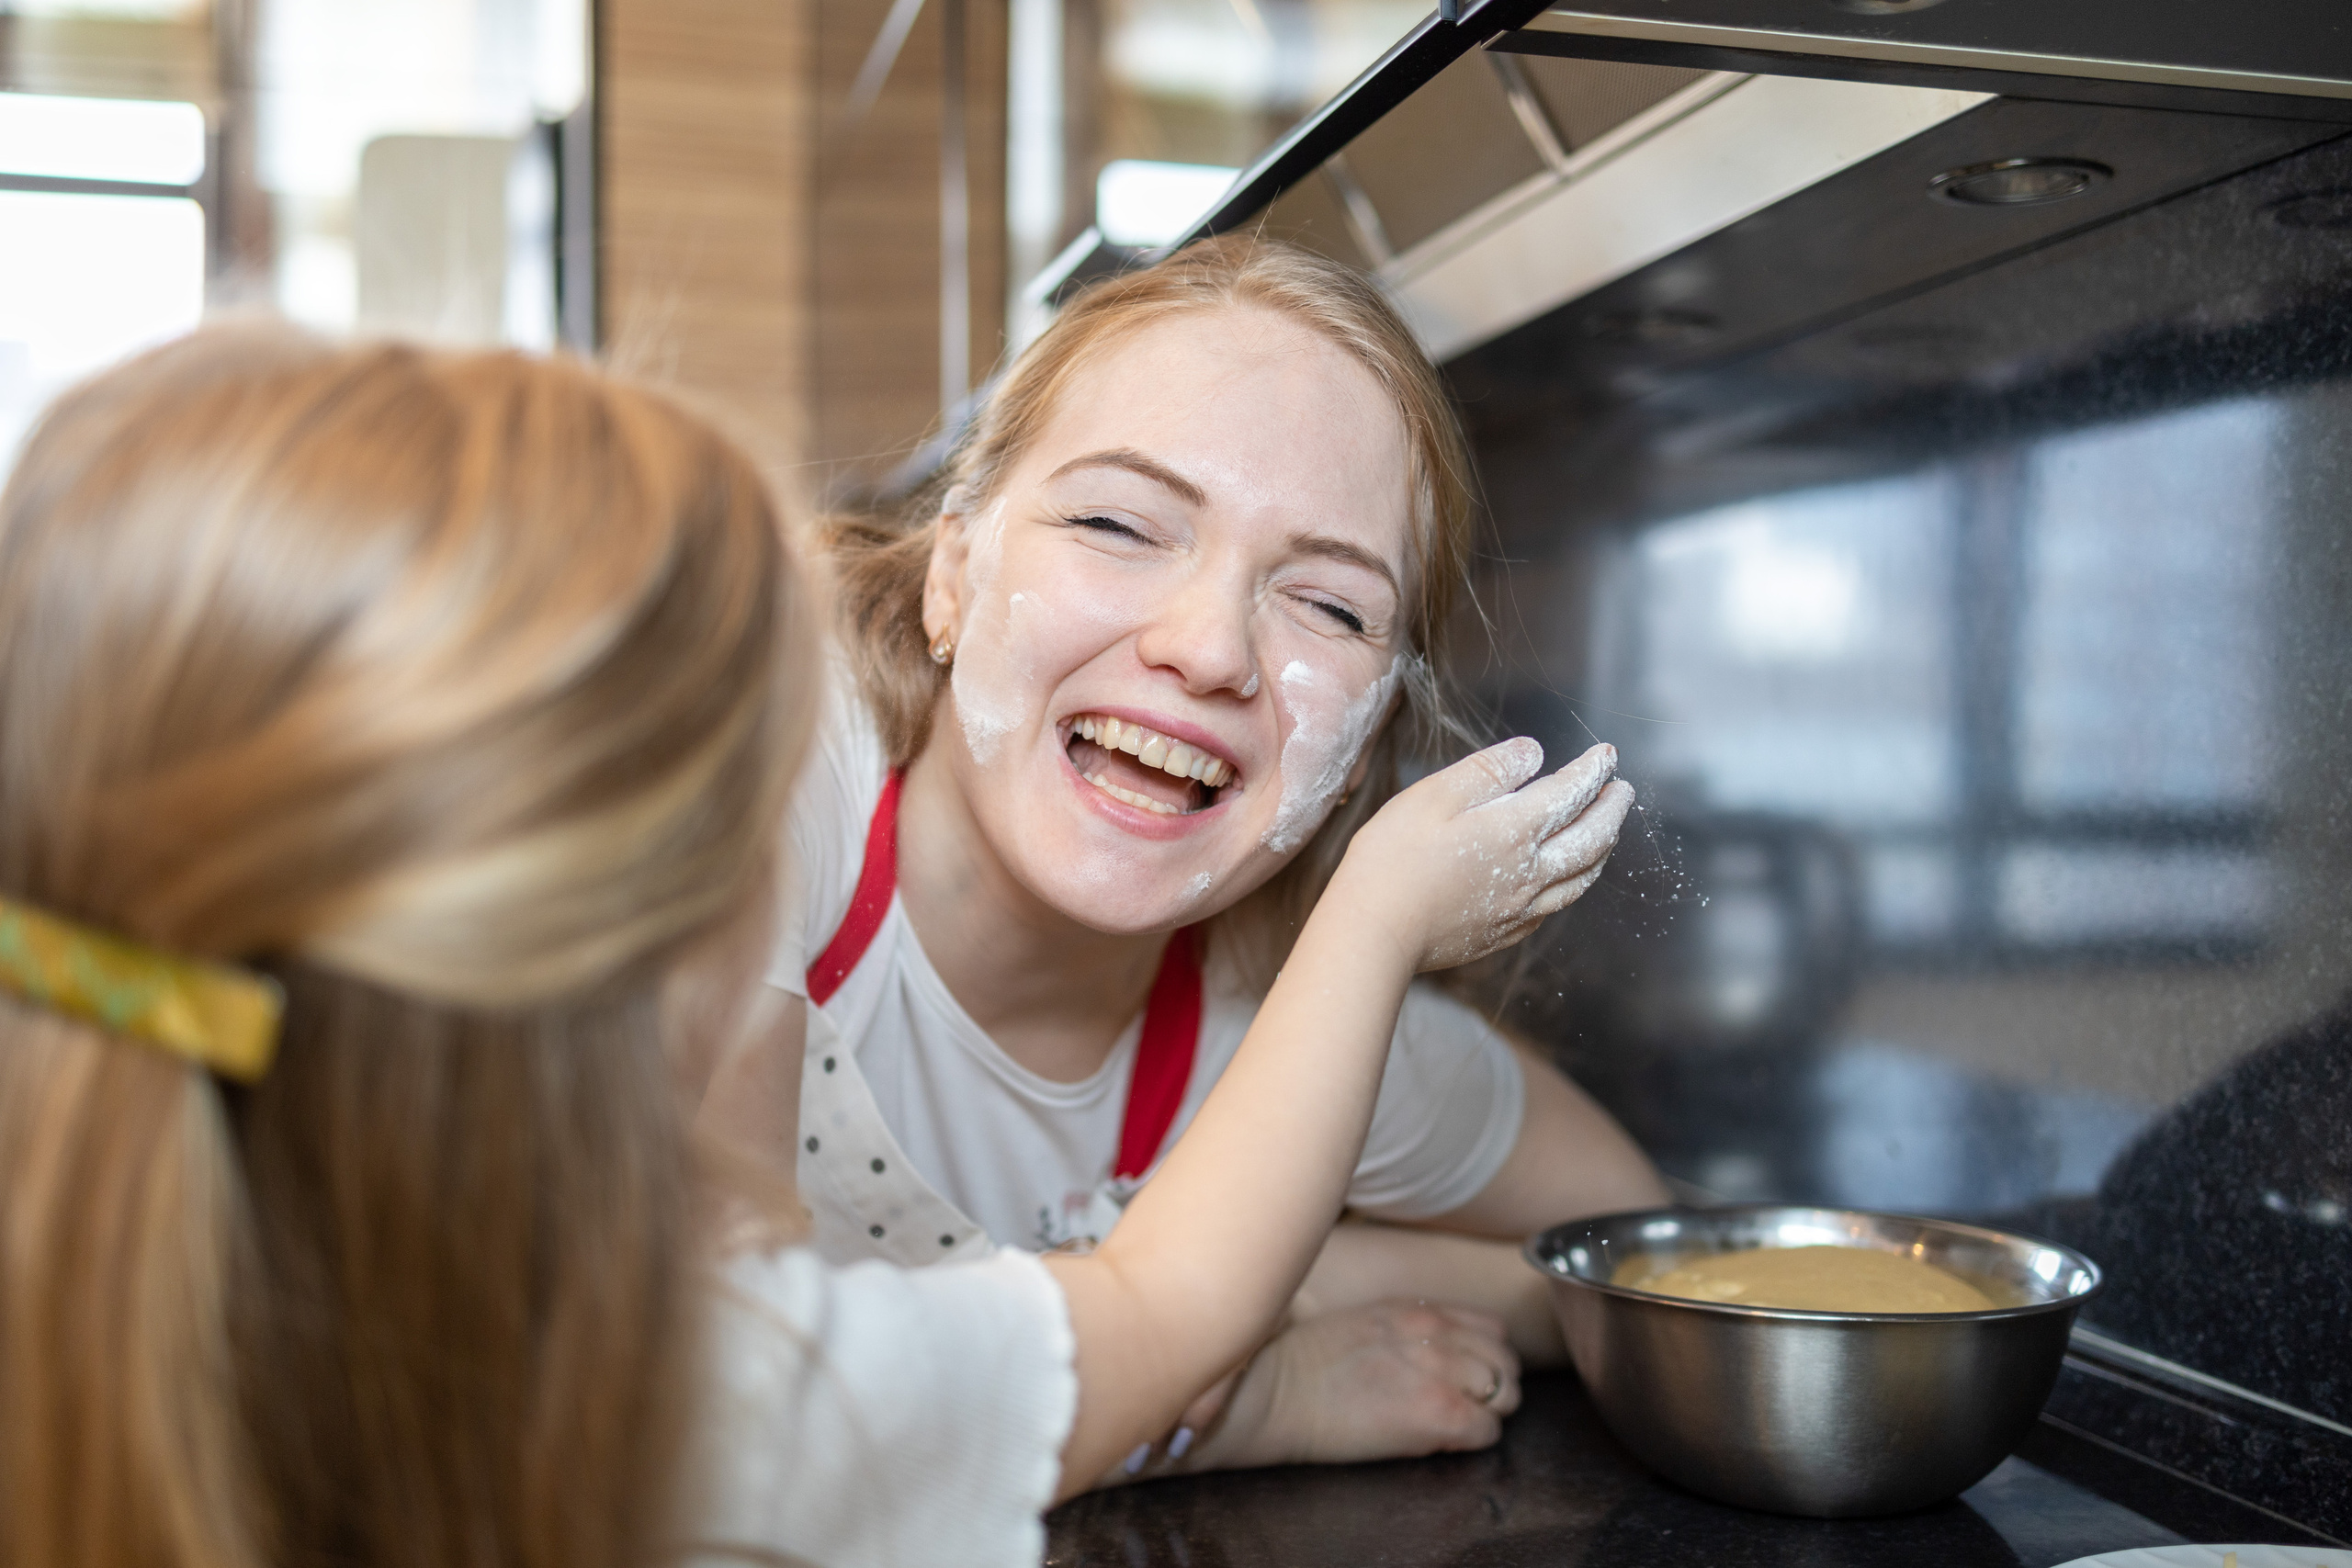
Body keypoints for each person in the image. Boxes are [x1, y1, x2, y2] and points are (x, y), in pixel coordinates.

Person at [0, 325, 1633, 1568]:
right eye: (737, 811)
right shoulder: (690, 1392)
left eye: (1329, 603)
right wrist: (1257, 1382)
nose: (1206, 644)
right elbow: (1154, 1313)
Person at [711, 234, 1667, 1472]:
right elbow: (719, 1426)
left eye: (1328, 604)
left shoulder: (1288, 1028)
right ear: (951, 574)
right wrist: (1236, 1401)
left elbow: (1637, 1253)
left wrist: (1293, 1270)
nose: (1210, 646)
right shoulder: (760, 776)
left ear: (1374, 731)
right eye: (1117, 522)